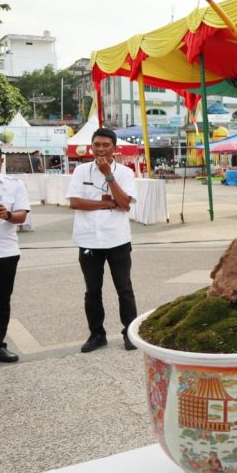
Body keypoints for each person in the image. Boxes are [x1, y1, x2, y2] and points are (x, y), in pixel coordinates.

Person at [67, 127, 138, 353]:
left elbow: (125, 203)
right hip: (88, 240)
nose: (100, 149)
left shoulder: (125, 173)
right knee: (92, 290)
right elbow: (75, 203)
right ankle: (97, 334)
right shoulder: (81, 171)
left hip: (117, 239)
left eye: (106, 145)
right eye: (96, 144)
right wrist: (107, 204)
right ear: (91, 146)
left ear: (114, 149)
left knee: (124, 289)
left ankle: (129, 333)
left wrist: (109, 174)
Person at [0, 142, 30, 364]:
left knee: (1, 301)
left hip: (5, 252)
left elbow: (22, 215)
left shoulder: (15, 185)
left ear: (2, 161)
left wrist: (7, 215)